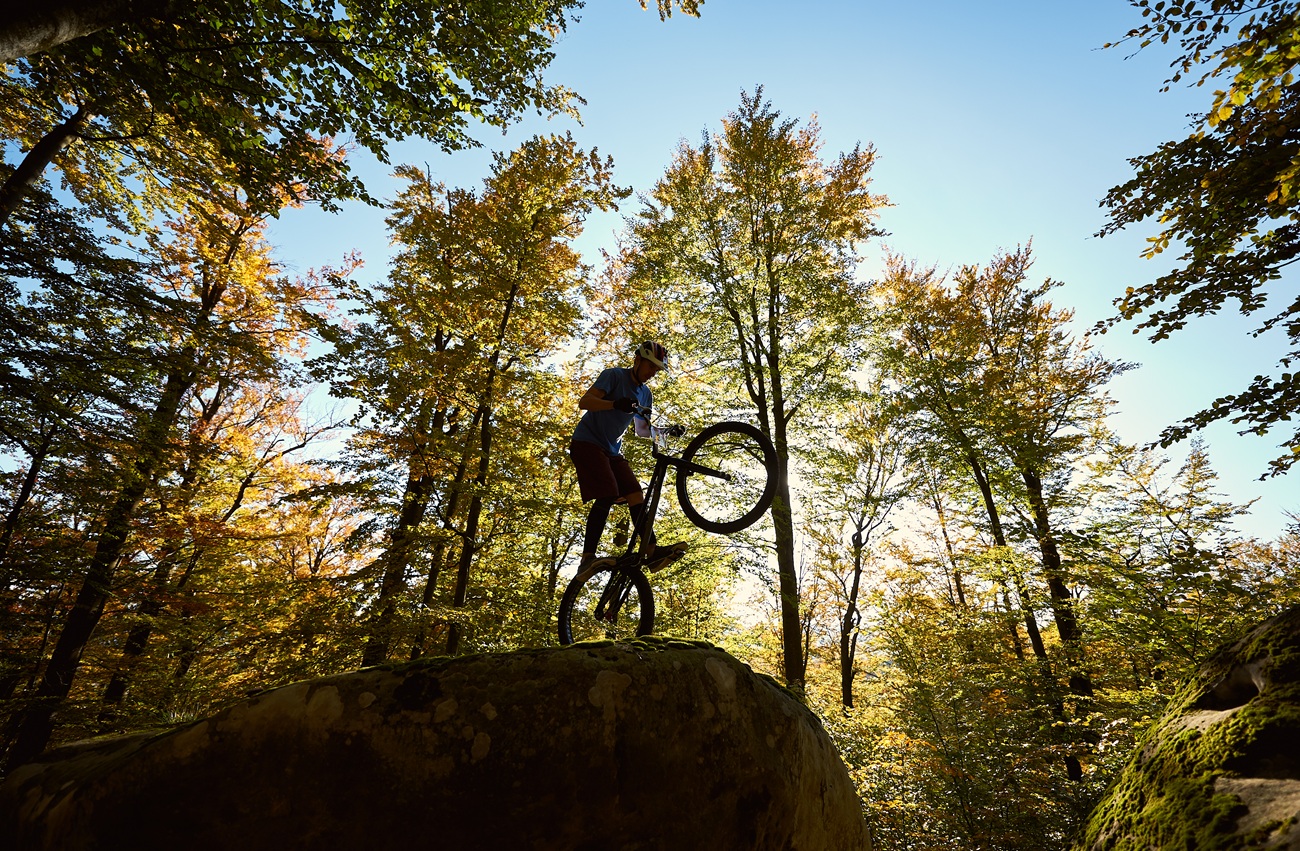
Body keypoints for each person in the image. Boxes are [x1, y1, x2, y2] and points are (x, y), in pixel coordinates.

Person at [569, 340, 688, 572]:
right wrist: (615, 404)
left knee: (635, 494)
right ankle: (587, 559)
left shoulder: (646, 394)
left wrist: (666, 432)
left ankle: (651, 553)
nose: (652, 373)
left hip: (612, 450)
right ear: (638, 360)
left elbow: (642, 430)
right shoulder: (614, 376)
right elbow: (585, 402)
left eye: (656, 369)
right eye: (650, 366)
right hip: (587, 442)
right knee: (608, 492)